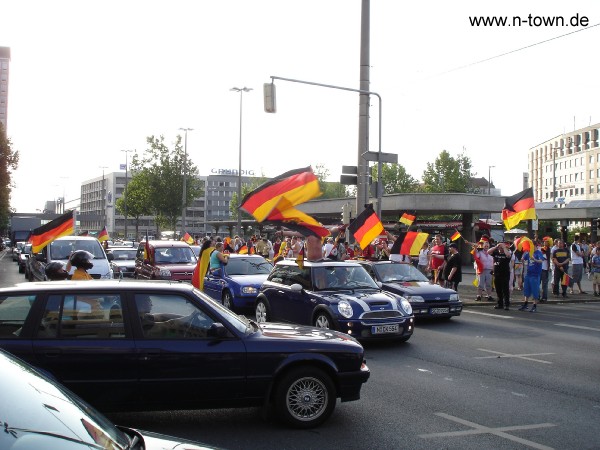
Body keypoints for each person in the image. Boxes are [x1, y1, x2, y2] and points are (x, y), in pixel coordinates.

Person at [518, 242, 544, 312]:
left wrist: (534, 259)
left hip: (535, 275)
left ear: (536, 246)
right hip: (528, 274)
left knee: (535, 290)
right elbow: (522, 259)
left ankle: (534, 305)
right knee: (526, 290)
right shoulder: (528, 252)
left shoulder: (538, 253)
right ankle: (525, 303)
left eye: (532, 246)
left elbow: (541, 261)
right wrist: (522, 258)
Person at [489, 241, 512, 310]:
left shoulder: (507, 253)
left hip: (505, 274)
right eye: (499, 247)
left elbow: (508, 255)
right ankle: (500, 304)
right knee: (498, 290)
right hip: (497, 274)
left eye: (501, 248)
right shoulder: (496, 253)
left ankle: (506, 304)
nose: (500, 249)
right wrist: (496, 246)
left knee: (505, 290)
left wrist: (504, 247)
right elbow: (488, 252)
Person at [539, 238, 552, 302]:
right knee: (538, 283)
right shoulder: (541, 249)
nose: (544, 243)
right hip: (539, 268)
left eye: (546, 242)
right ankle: (537, 296)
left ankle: (544, 297)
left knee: (544, 284)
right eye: (544, 242)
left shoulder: (549, 250)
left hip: (545, 268)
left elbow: (545, 258)